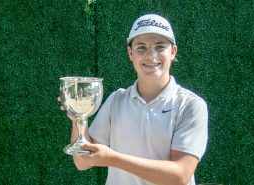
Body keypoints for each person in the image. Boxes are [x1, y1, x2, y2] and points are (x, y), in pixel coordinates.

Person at [60, 14, 208, 185]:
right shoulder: (116, 100)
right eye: (141, 48)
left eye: (160, 47)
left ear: (173, 52)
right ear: (130, 53)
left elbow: (180, 176)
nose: (151, 56)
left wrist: (113, 159)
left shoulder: (191, 105)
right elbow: (82, 162)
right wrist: (78, 117)